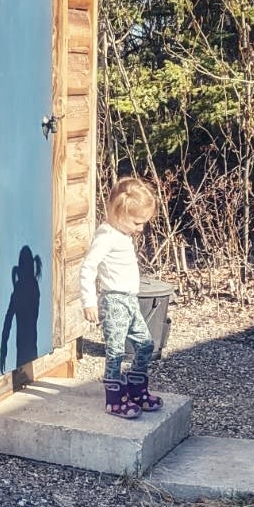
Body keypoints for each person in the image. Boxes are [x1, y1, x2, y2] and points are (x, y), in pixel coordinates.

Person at [80, 176, 164, 419]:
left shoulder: (123, 234)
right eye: (137, 222)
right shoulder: (106, 236)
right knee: (116, 351)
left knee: (145, 344)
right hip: (114, 301)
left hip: (129, 300)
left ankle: (136, 389)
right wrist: (89, 301)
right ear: (119, 213)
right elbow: (88, 268)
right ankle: (114, 400)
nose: (141, 228)